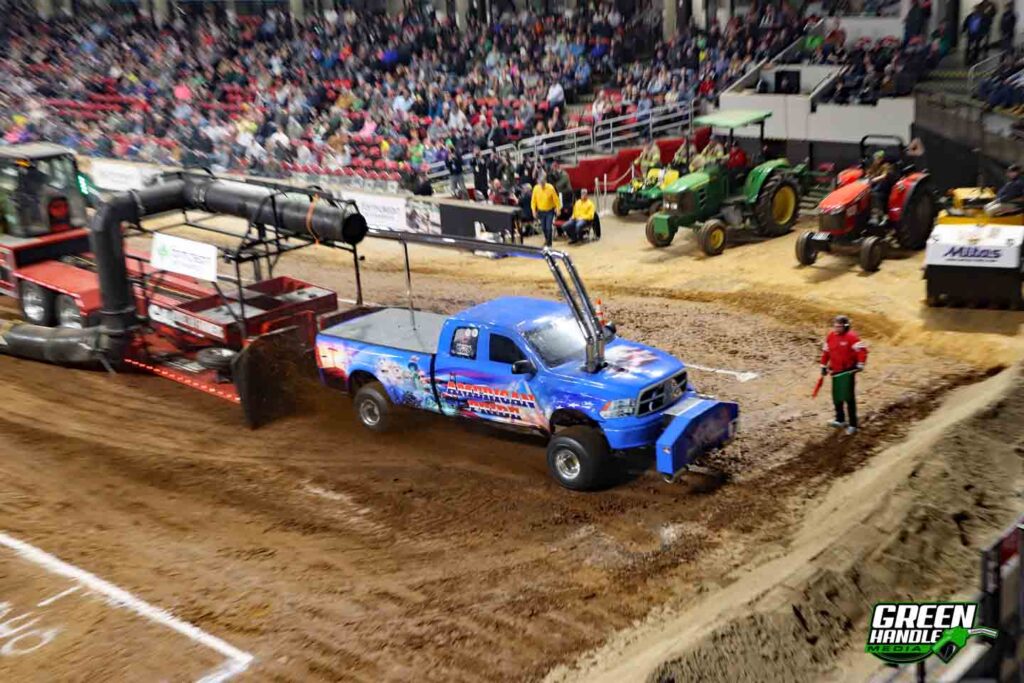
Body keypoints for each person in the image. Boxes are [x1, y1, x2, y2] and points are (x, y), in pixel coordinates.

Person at [820, 315, 868, 435]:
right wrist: (823, 365)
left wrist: (861, 363)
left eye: (839, 326)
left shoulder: (852, 337)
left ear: (845, 326)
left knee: (849, 398)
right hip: (835, 372)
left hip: (847, 372)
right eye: (835, 325)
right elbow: (826, 352)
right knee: (837, 397)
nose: (836, 328)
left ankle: (853, 425)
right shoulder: (831, 336)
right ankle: (840, 419)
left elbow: (862, 351)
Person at [531, 175, 562, 247]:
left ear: (545, 182)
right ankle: (546, 239)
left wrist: (558, 209)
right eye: (540, 183)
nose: (542, 185)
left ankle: (549, 244)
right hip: (541, 211)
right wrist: (533, 211)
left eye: (543, 183)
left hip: (549, 211)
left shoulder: (550, 188)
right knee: (543, 228)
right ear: (538, 182)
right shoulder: (536, 189)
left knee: (548, 227)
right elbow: (533, 201)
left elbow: (556, 200)